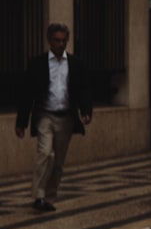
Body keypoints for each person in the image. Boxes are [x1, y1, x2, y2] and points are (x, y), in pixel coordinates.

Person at [15, 23, 93, 212]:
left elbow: (83, 89)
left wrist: (86, 111)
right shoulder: (37, 63)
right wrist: (21, 122)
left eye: (63, 40)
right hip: (45, 115)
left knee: (58, 161)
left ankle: (49, 197)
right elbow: (27, 94)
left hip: (65, 117)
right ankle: (38, 195)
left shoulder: (75, 63)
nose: (60, 44)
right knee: (45, 153)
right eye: (57, 40)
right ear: (49, 40)